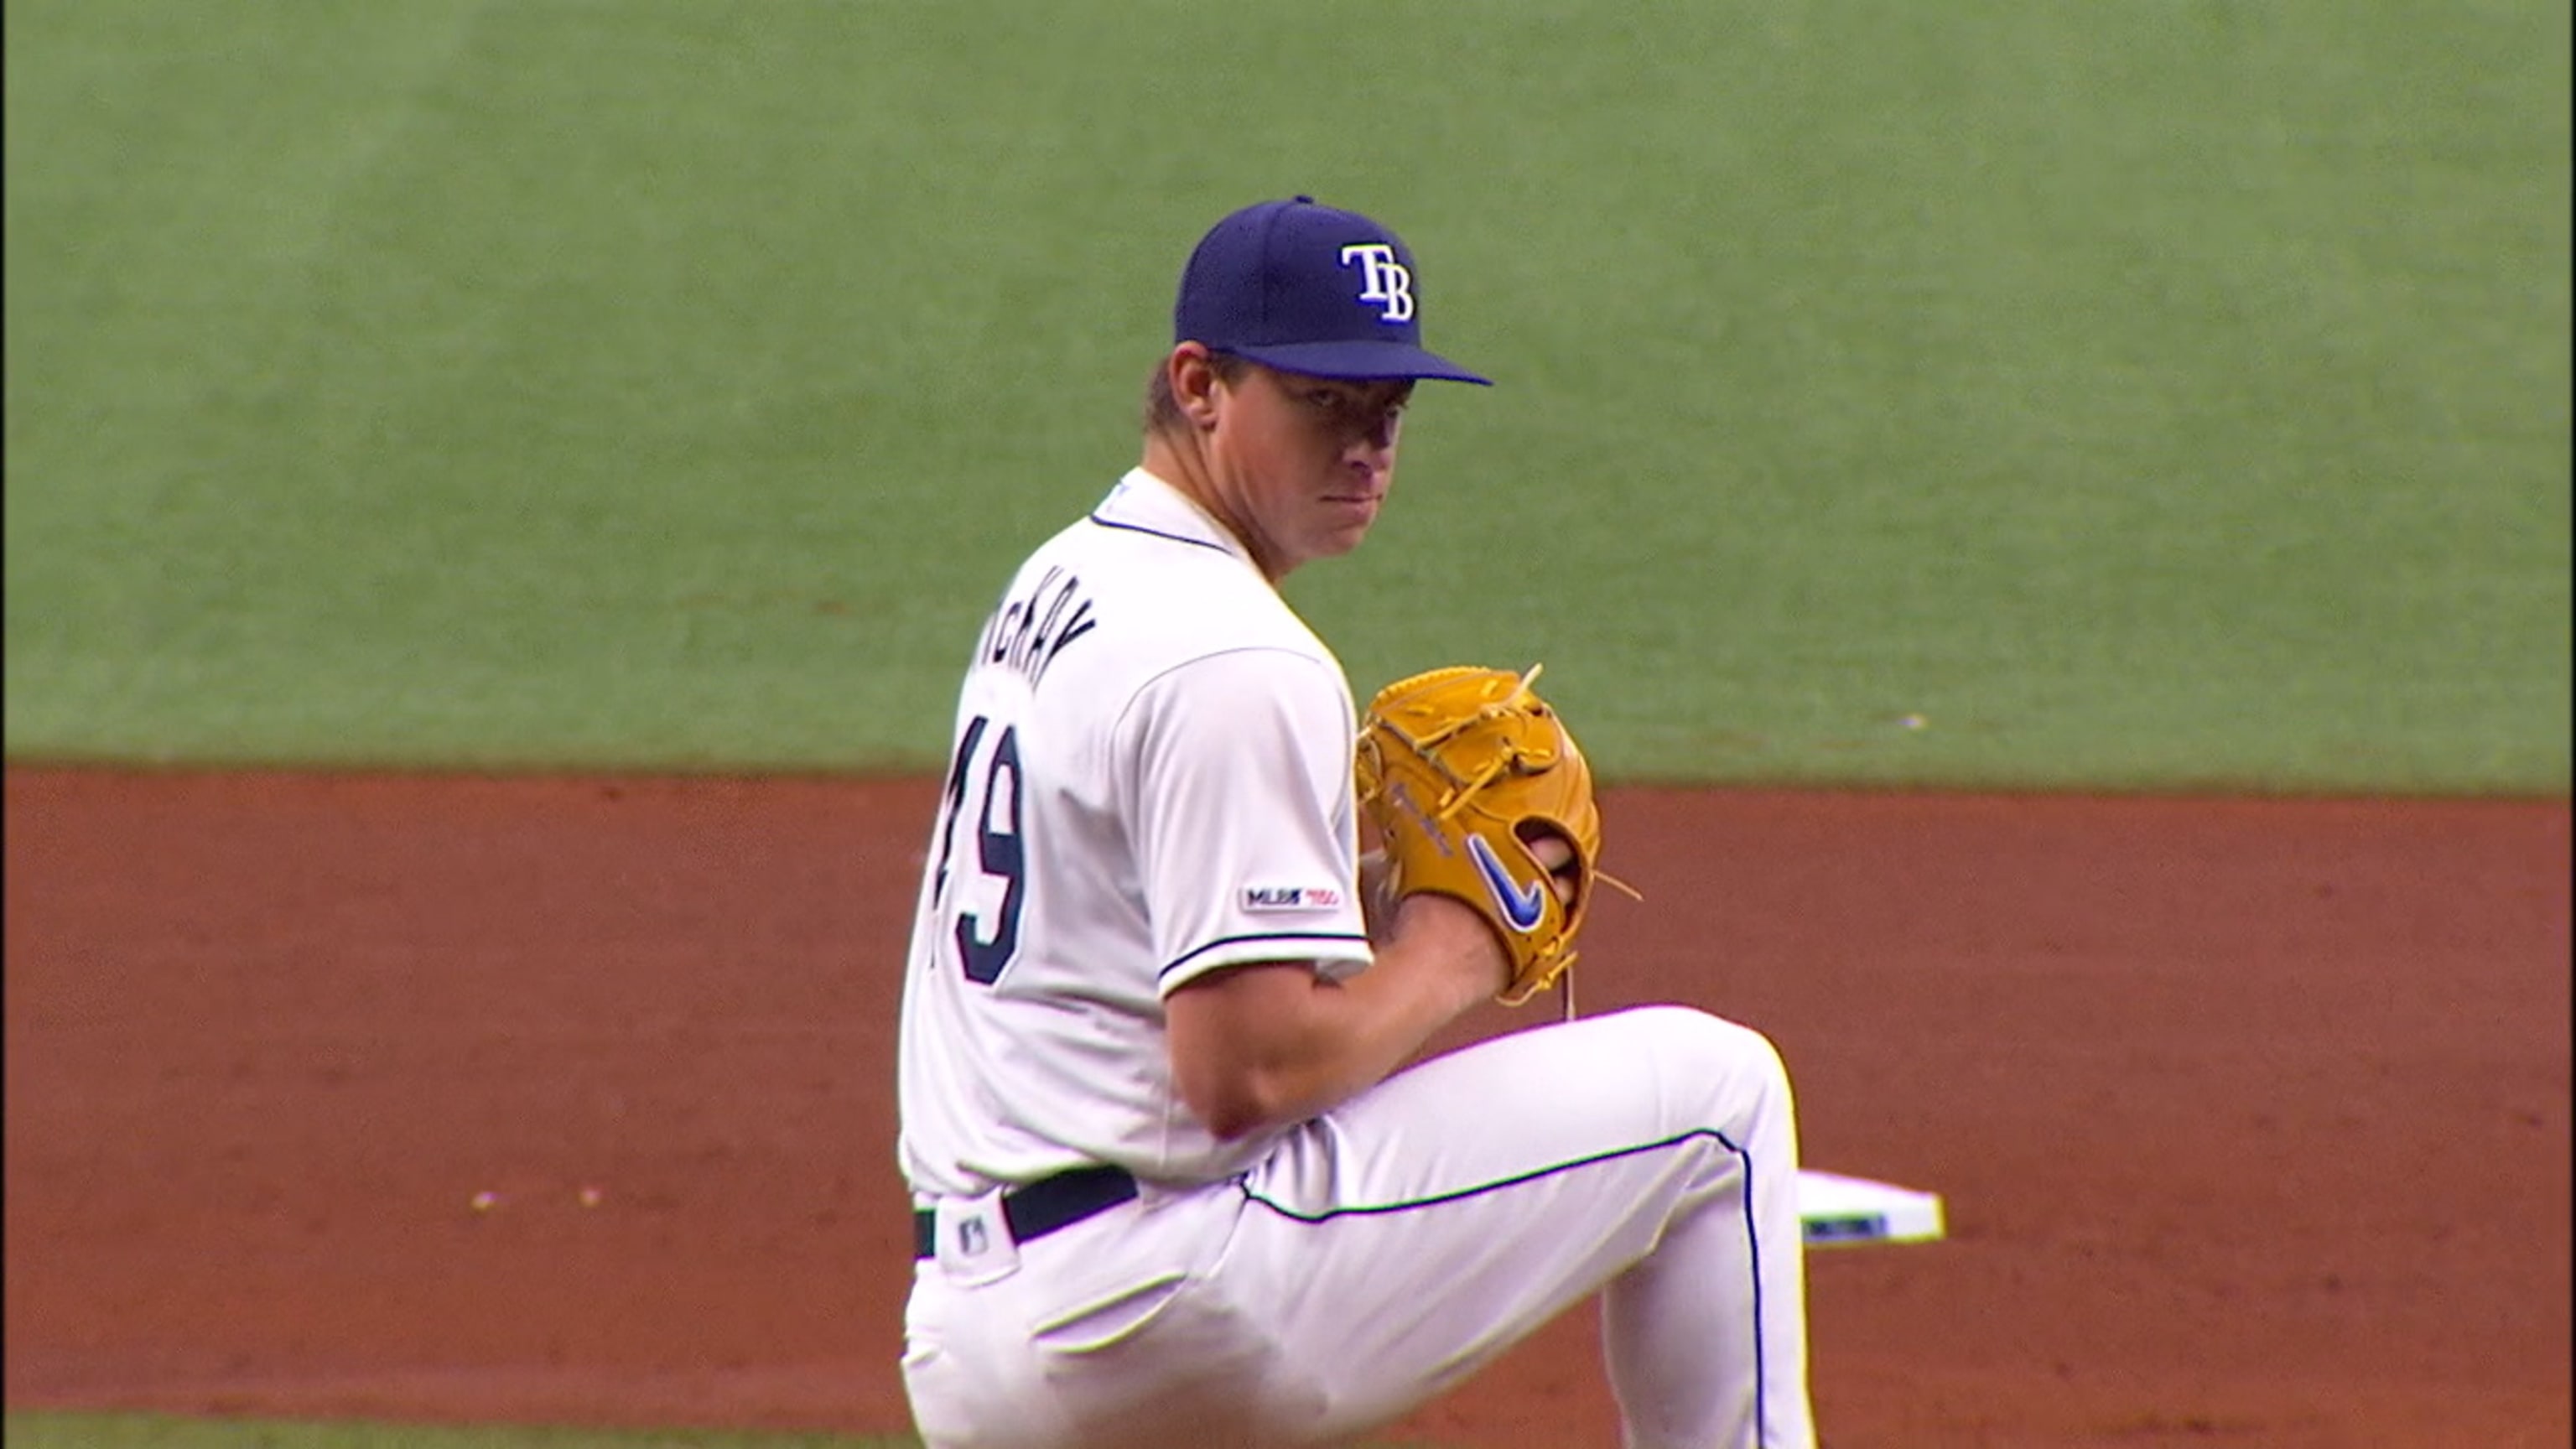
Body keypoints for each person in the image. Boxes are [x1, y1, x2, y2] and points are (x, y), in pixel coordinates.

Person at [895, 195, 1815, 1448]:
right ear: (1199, 384)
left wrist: (1375, 888)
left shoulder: (1065, 579)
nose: (1368, 443)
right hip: (1160, 1304)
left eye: (1389, 406)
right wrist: (1459, 944)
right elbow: (1246, 1072)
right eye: (1323, 400)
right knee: (1720, 1101)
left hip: (972, 1330)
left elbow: (1120, 909)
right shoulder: (1238, 659)